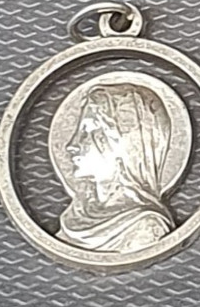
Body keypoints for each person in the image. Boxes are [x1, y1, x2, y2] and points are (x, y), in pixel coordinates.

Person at [56, 82, 180, 253]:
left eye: (87, 132)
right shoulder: (74, 218)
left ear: (126, 145)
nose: (72, 145)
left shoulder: (145, 227)